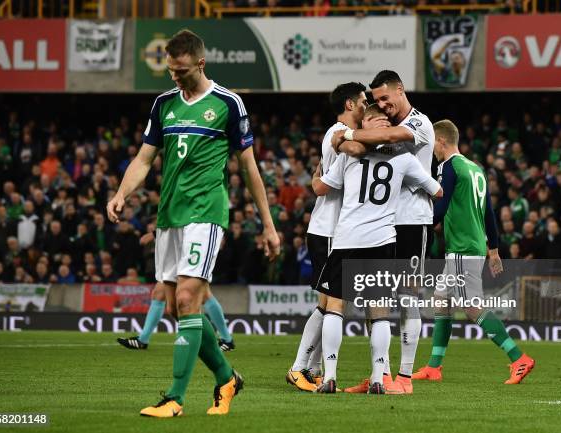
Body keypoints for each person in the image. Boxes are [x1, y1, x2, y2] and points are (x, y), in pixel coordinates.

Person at [106, 29, 280, 417]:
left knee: (187, 298)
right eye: (170, 71)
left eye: (181, 71)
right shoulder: (164, 103)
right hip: (169, 216)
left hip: (206, 213)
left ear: (200, 63)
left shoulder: (227, 104)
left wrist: (268, 225)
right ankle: (227, 378)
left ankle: (174, 398)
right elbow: (144, 159)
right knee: (176, 309)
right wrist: (122, 193)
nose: (175, 77)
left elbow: (249, 167)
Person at [313, 103, 442, 394]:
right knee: (379, 310)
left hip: (347, 238)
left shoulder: (349, 155)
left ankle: (330, 376)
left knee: (335, 305)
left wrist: (340, 146)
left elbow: (323, 187)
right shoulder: (404, 159)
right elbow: (438, 190)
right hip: (383, 241)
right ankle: (376, 378)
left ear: (366, 125)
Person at [412, 119, 535, 385]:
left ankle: (518, 358)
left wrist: (420, 226)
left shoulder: (449, 165)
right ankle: (434, 366)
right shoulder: (475, 168)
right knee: (441, 300)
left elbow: (441, 206)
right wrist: (493, 248)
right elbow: (488, 212)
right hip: (474, 244)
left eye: (433, 142)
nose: (432, 148)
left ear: (441, 141)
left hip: (462, 247)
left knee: (470, 307)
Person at [286, 82, 367, 392]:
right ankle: (298, 367)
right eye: (362, 101)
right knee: (328, 304)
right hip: (330, 230)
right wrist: (318, 182)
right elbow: (326, 186)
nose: (366, 106)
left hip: (334, 229)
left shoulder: (339, 134)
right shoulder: (340, 135)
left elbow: (322, 183)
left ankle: (313, 369)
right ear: (349, 104)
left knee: (331, 303)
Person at [117, 231, 236, 351]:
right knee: (159, 293)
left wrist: (153, 233)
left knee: (203, 293)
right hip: (174, 241)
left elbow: (181, 214)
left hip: (188, 241)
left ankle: (222, 339)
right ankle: (143, 339)